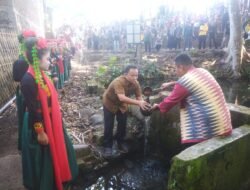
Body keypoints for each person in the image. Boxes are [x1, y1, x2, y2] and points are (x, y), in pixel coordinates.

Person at [20, 37, 78, 190]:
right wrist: (40, 132)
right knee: (44, 155)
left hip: (51, 119)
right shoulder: (28, 80)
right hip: (39, 123)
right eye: (47, 58)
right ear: (37, 60)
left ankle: (59, 177)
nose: (50, 61)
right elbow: (33, 110)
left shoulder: (42, 75)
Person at [151, 53, 232, 145]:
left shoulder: (184, 82)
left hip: (212, 129)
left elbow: (169, 102)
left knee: (190, 144)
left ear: (181, 67)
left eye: (176, 68)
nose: (176, 72)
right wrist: (171, 83)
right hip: (225, 123)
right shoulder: (203, 71)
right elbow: (193, 82)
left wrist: (157, 106)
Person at [102, 65, 150, 157]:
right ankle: (107, 146)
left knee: (122, 123)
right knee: (109, 125)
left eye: (136, 75)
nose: (135, 78)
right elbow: (122, 97)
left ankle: (120, 142)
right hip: (109, 103)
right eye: (132, 75)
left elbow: (139, 96)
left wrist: (143, 103)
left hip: (121, 105)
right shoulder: (118, 82)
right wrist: (138, 103)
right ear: (125, 74)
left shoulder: (136, 83)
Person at [12, 29, 36, 150]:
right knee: (28, 117)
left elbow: (16, 77)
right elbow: (17, 77)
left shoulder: (23, 58)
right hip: (26, 92)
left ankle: (24, 144)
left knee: (25, 118)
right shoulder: (24, 60)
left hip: (25, 90)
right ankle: (26, 144)